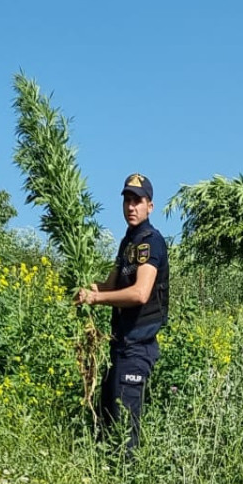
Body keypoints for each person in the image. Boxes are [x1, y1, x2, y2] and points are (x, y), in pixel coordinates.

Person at [76, 173, 169, 452]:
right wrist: (86, 288)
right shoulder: (127, 243)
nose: (131, 206)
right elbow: (111, 285)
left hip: (138, 348)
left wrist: (97, 298)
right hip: (120, 347)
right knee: (106, 424)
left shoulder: (151, 241)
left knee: (126, 433)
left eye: (137, 201)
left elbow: (140, 293)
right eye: (127, 200)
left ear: (149, 206)